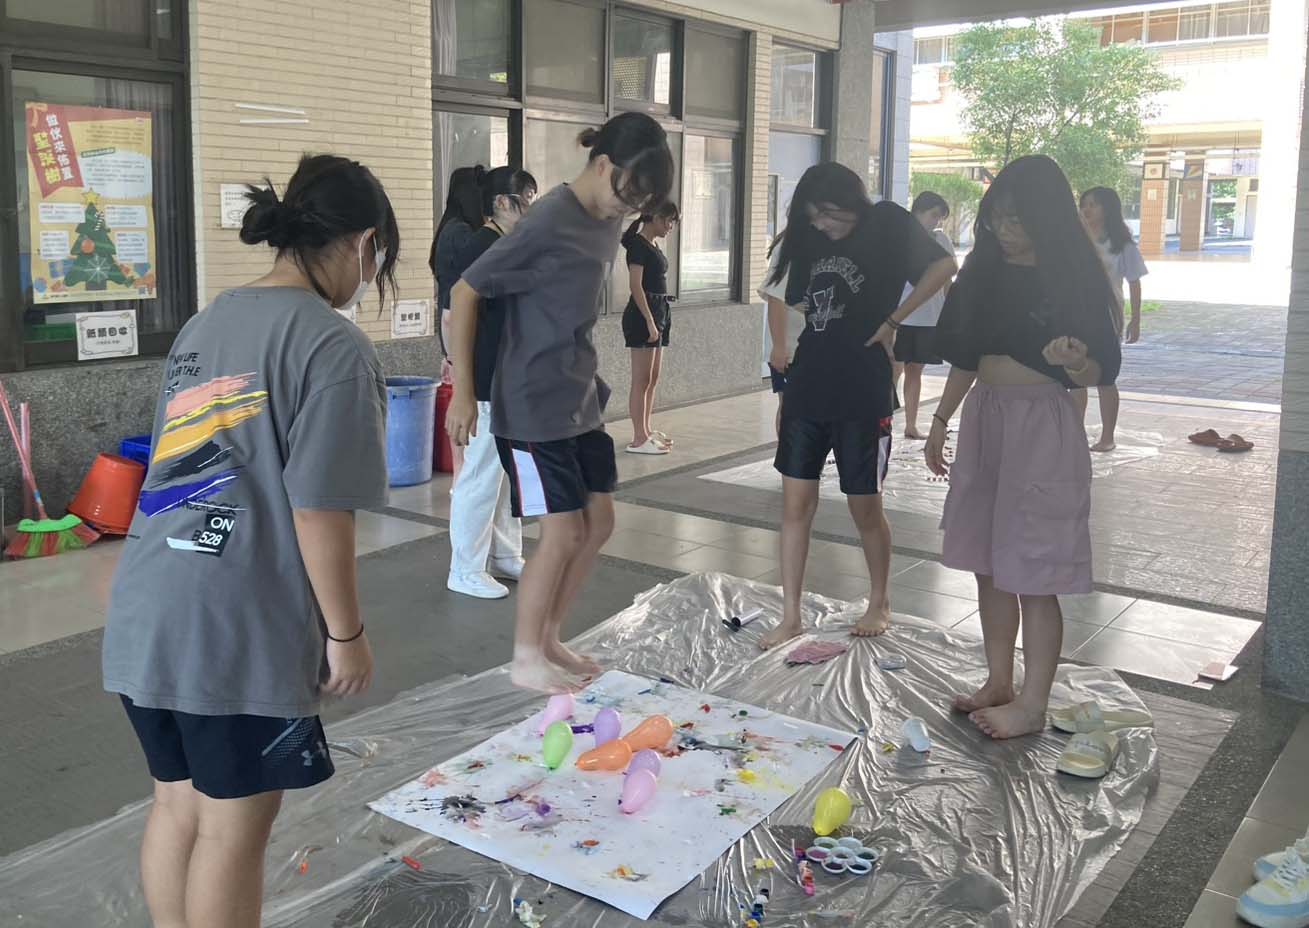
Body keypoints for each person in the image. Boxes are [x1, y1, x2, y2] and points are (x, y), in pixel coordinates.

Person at [101, 154, 396, 928]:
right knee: (232, 831)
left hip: (147, 606)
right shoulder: (330, 345)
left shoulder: (209, 320)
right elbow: (318, 511)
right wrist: (346, 636)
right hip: (233, 625)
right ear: (363, 242)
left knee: (177, 806)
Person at [445, 112, 675, 694]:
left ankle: (548, 638)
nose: (630, 208)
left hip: (579, 393)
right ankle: (525, 657)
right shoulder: (549, 218)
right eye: (628, 193)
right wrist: (465, 392)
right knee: (564, 530)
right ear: (602, 164)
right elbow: (465, 292)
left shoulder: (609, 219)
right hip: (529, 402)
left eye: (641, 202)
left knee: (599, 522)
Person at [926, 155, 1122, 740]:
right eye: (997, 218)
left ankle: (1033, 703)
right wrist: (939, 420)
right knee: (988, 565)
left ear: (1045, 217)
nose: (1004, 230)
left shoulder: (1072, 277)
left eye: (1017, 219)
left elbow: (1101, 369)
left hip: (1042, 424)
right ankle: (998, 681)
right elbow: (968, 357)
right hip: (986, 418)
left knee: (1035, 572)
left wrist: (1076, 362)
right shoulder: (983, 270)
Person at [762, 162, 957, 649]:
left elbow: (943, 267)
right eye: (814, 217)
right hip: (808, 383)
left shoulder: (887, 222)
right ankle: (791, 615)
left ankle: (880, 600)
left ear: (851, 200)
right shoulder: (811, 238)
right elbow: (791, 302)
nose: (822, 224)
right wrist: (784, 389)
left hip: (863, 387)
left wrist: (893, 321)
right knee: (795, 505)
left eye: (828, 214)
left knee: (864, 504)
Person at [446, 166, 539, 600]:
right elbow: (457, 315)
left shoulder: (505, 244)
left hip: (508, 377)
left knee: (503, 473)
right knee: (481, 475)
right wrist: (463, 389)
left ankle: (503, 554)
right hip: (485, 381)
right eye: (527, 198)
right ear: (502, 202)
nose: (532, 206)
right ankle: (464, 568)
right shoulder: (481, 246)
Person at [1076, 185, 1148, 452]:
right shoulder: (1074, 241)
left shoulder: (1121, 244)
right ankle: (1074, 433)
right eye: (1084, 204)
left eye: (1093, 204)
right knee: (1074, 378)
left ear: (1108, 209)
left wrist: (1135, 319)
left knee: (1106, 378)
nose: (1087, 209)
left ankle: (1107, 437)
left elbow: (1134, 282)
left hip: (1107, 317)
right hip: (1076, 316)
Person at [431, 166, 485, 480]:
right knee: (463, 395)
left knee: (457, 391)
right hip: (455, 320)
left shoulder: (447, 227)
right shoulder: (462, 232)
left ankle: (460, 474)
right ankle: (462, 474)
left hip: (449, 318)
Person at [893, 192, 955, 439]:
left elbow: (947, 280)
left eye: (939, 218)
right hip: (901, 315)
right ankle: (882, 420)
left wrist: (950, 311)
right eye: (933, 215)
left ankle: (911, 423)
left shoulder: (942, 240)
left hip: (929, 317)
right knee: (893, 369)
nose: (936, 222)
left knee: (915, 370)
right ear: (917, 212)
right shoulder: (902, 239)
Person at [621, 201, 680, 455]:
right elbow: (635, 286)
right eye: (668, 220)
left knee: (653, 378)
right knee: (641, 379)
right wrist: (648, 320)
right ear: (655, 217)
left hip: (659, 311)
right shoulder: (637, 245)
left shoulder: (653, 244)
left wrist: (657, 318)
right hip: (642, 315)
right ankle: (638, 439)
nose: (670, 226)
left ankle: (645, 430)